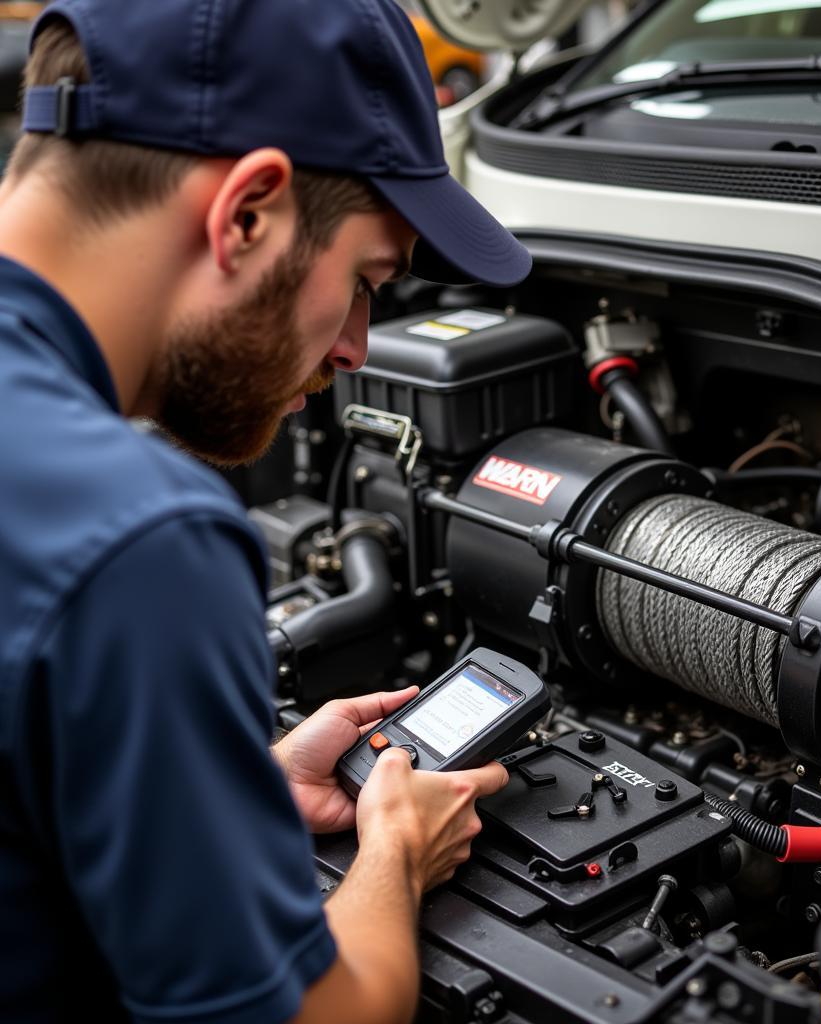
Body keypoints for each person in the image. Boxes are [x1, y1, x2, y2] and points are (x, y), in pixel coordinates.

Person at [0, 2, 531, 1022]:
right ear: (247, 212)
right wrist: (396, 855)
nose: (356, 350)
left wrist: (221, 795)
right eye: (365, 281)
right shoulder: (138, 538)